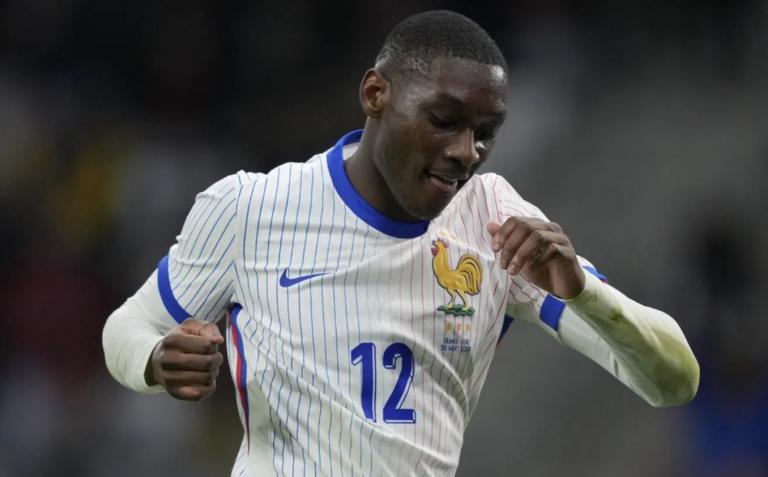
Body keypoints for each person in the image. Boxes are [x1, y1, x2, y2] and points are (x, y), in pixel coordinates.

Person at [102, 10, 699, 476]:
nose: (466, 152)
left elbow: (675, 380)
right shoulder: (252, 207)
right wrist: (155, 360)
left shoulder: (496, 222)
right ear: (375, 94)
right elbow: (128, 327)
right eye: (444, 120)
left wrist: (583, 293)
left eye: (485, 134)